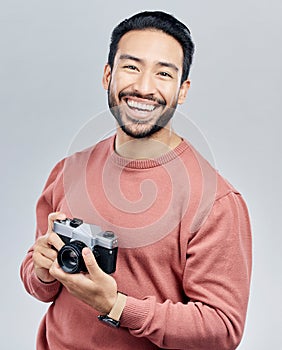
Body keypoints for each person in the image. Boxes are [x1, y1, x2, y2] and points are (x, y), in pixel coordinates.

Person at [20, 11, 252, 350]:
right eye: (131, 67)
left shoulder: (216, 201)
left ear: (182, 90)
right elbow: (39, 281)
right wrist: (41, 270)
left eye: (163, 73)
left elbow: (222, 328)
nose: (144, 87)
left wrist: (115, 306)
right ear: (107, 76)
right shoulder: (68, 170)